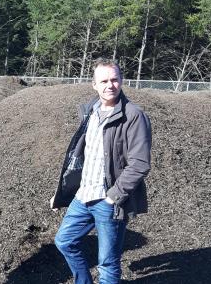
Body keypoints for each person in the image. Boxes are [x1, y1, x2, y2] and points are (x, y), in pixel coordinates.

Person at [50, 58, 152, 284]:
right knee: (64, 241)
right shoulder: (90, 112)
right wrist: (63, 191)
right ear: (94, 85)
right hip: (84, 195)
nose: (110, 85)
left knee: (107, 262)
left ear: (122, 81)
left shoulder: (133, 116)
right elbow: (79, 156)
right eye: (104, 81)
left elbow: (140, 163)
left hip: (108, 200)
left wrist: (112, 197)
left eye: (114, 80)